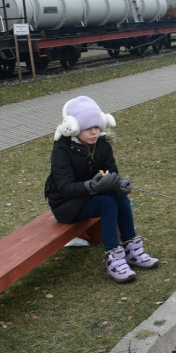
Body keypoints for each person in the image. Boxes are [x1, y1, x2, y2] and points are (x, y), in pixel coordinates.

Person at [44, 96, 159, 284]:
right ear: (74, 127)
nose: (94, 132)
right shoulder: (61, 149)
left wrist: (120, 183)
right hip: (65, 205)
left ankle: (131, 250)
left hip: (91, 196)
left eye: (97, 127)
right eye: (88, 128)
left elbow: (112, 172)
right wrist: (92, 186)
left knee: (118, 197)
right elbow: (65, 188)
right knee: (107, 201)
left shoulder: (102, 144)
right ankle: (114, 258)